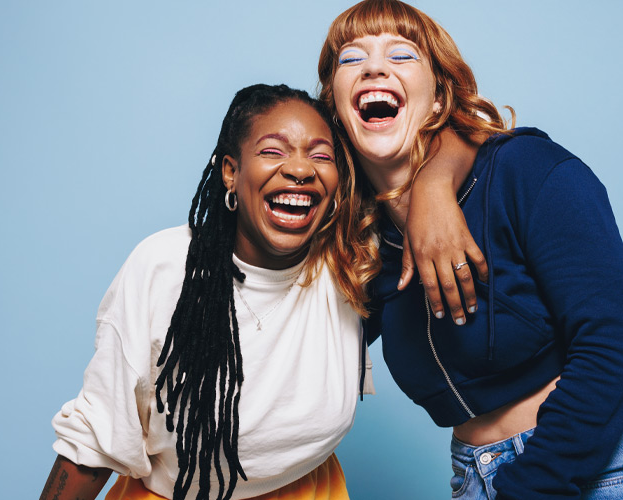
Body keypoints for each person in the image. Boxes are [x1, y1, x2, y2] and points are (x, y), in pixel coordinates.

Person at [318, 1, 623, 498]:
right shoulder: (366, 243)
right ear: (335, 107)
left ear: (438, 99)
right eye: (352, 59)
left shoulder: (526, 171)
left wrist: (532, 483)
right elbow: (310, 348)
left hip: (589, 471)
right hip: (472, 476)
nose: (374, 67)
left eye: (401, 55)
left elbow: (612, 340)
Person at [40, 84, 378, 500]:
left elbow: (428, 155)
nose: (300, 169)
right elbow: (95, 438)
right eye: (273, 151)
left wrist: (435, 191)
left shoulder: (349, 263)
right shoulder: (163, 267)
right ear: (230, 172)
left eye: (321, 155)